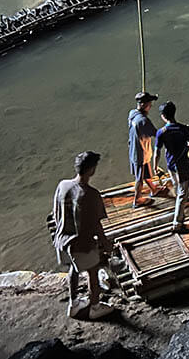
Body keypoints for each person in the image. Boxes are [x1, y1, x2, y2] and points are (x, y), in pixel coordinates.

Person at [51, 151, 114, 320]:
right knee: (93, 272)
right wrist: (106, 244)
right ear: (92, 169)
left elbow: (56, 213)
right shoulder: (91, 194)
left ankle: (74, 304)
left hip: (63, 240)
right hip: (81, 244)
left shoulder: (63, 185)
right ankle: (95, 307)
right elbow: (96, 225)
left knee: (74, 269)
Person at [154, 100, 189, 234]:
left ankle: (181, 216)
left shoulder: (161, 132)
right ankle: (177, 223)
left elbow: (157, 152)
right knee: (183, 194)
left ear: (163, 116)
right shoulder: (184, 129)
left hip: (171, 165)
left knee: (178, 189)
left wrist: (155, 167)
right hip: (183, 165)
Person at [129, 91, 163, 207]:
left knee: (146, 172)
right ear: (143, 105)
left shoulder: (132, 113)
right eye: (149, 103)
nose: (151, 106)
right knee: (139, 177)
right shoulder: (143, 121)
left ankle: (153, 189)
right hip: (140, 152)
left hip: (135, 148)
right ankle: (137, 200)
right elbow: (156, 134)